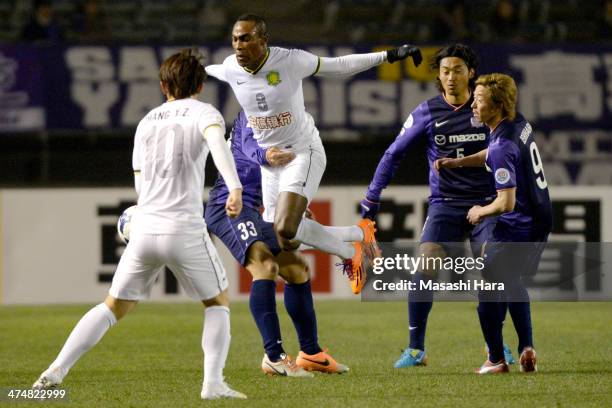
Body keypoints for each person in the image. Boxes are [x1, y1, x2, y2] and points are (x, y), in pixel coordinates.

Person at [33, 49, 247, 400]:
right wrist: (234, 187)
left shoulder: (146, 122)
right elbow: (216, 145)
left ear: (164, 85)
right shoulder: (206, 113)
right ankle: (212, 384)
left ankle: (55, 370)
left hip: (145, 227)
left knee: (112, 307)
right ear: (201, 84)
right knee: (217, 302)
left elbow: (139, 185)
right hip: (184, 228)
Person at [205, 13, 421, 294]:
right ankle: (359, 235)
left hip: (301, 153)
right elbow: (210, 69)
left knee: (285, 227)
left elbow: (340, 65)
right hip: (271, 168)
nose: (238, 45)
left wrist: (390, 55)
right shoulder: (231, 67)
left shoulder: (289, 61)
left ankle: (351, 254)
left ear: (263, 40)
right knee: (286, 241)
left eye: (245, 38)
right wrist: (190, 68)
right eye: (235, 39)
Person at [360, 44, 507, 368]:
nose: (450, 77)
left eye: (456, 70)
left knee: (493, 269)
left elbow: (513, 150)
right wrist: (373, 195)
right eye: (444, 71)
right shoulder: (427, 112)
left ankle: (495, 349)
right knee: (426, 263)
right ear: (438, 76)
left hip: (487, 204)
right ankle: (416, 349)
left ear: (471, 73)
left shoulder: (488, 109)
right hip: (445, 204)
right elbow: (393, 154)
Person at [206, 110, 361, 376]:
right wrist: (266, 156)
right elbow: (249, 147)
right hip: (229, 206)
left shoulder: (283, 121)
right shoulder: (252, 110)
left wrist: (291, 206)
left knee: (297, 269)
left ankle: (311, 353)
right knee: (265, 266)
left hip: (255, 208)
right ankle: (274, 356)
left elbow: (279, 176)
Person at [436, 73, 552, 374]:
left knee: (489, 285)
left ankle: (496, 359)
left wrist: (479, 212)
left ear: (498, 105)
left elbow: (506, 202)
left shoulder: (502, 146)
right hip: (540, 217)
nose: (473, 105)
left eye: (479, 100)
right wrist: (458, 162)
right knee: (511, 281)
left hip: (518, 223)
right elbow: (497, 153)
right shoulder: (517, 124)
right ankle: (527, 348)